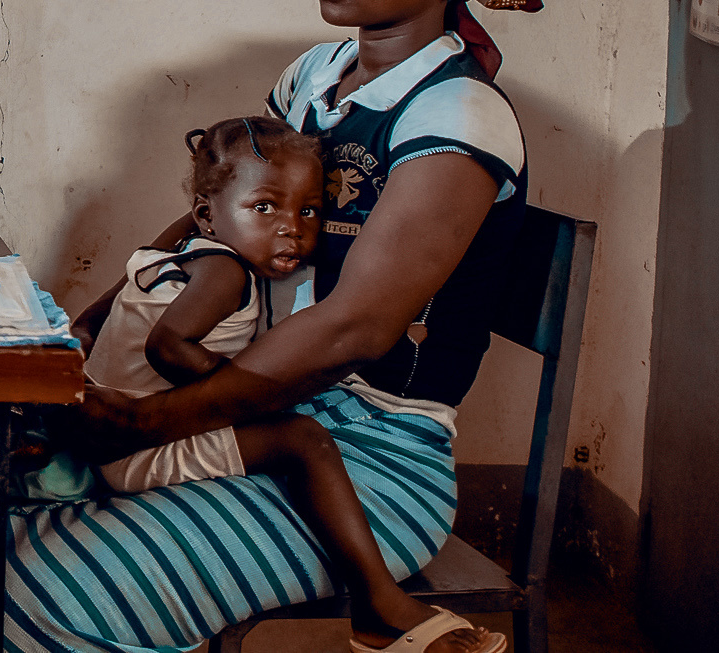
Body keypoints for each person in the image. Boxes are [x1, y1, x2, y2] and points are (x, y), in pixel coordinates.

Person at [3, 0, 543, 653]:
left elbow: (356, 327)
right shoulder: (315, 77)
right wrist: (82, 331)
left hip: (369, 459)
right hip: (258, 406)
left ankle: (376, 608)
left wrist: (152, 419)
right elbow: (215, 216)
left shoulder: (457, 114)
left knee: (52, 590)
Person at [84, 117, 504, 653]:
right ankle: (379, 604)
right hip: (139, 447)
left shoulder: (187, 252)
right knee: (303, 440)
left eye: (307, 211)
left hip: (127, 434)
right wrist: (246, 397)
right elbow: (167, 347)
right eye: (265, 208)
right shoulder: (225, 272)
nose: (291, 228)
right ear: (208, 218)